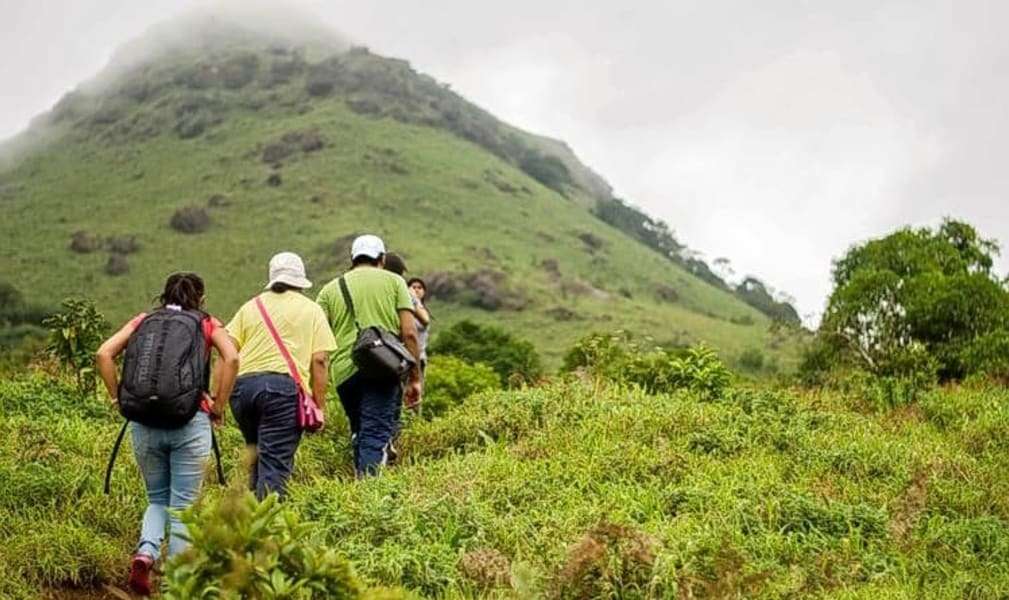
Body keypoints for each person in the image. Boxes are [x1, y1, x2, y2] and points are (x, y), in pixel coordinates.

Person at [96, 272, 239, 596]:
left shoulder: (143, 320)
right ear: (200, 298)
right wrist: (219, 405)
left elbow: (103, 354)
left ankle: (146, 552)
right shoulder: (206, 323)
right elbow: (231, 358)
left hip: (144, 423)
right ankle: (177, 580)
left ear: (165, 295)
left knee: (157, 499)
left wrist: (118, 397)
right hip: (190, 422)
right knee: (183, 506)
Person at [225, 252, 337, 499]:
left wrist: (218, 397)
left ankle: (248, 524)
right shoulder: (312, 310)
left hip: (242, 390)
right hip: (280, 390)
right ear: (300, 281)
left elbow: (226, 349)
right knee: (274, 464)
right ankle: (268, 530)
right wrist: (318, 406)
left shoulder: (250, 306)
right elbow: (320, 360)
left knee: (256, 457)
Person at [316, 234, 422, 477]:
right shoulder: (394, 282)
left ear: (353, 259)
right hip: (383, 367)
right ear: (382, 259)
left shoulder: (329, 290)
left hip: (344, 371)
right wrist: (414, 377)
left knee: (361, 431)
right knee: (376, 434)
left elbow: (320, 339)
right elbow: (410, 333)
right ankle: (369, 497)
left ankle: (360, 481)